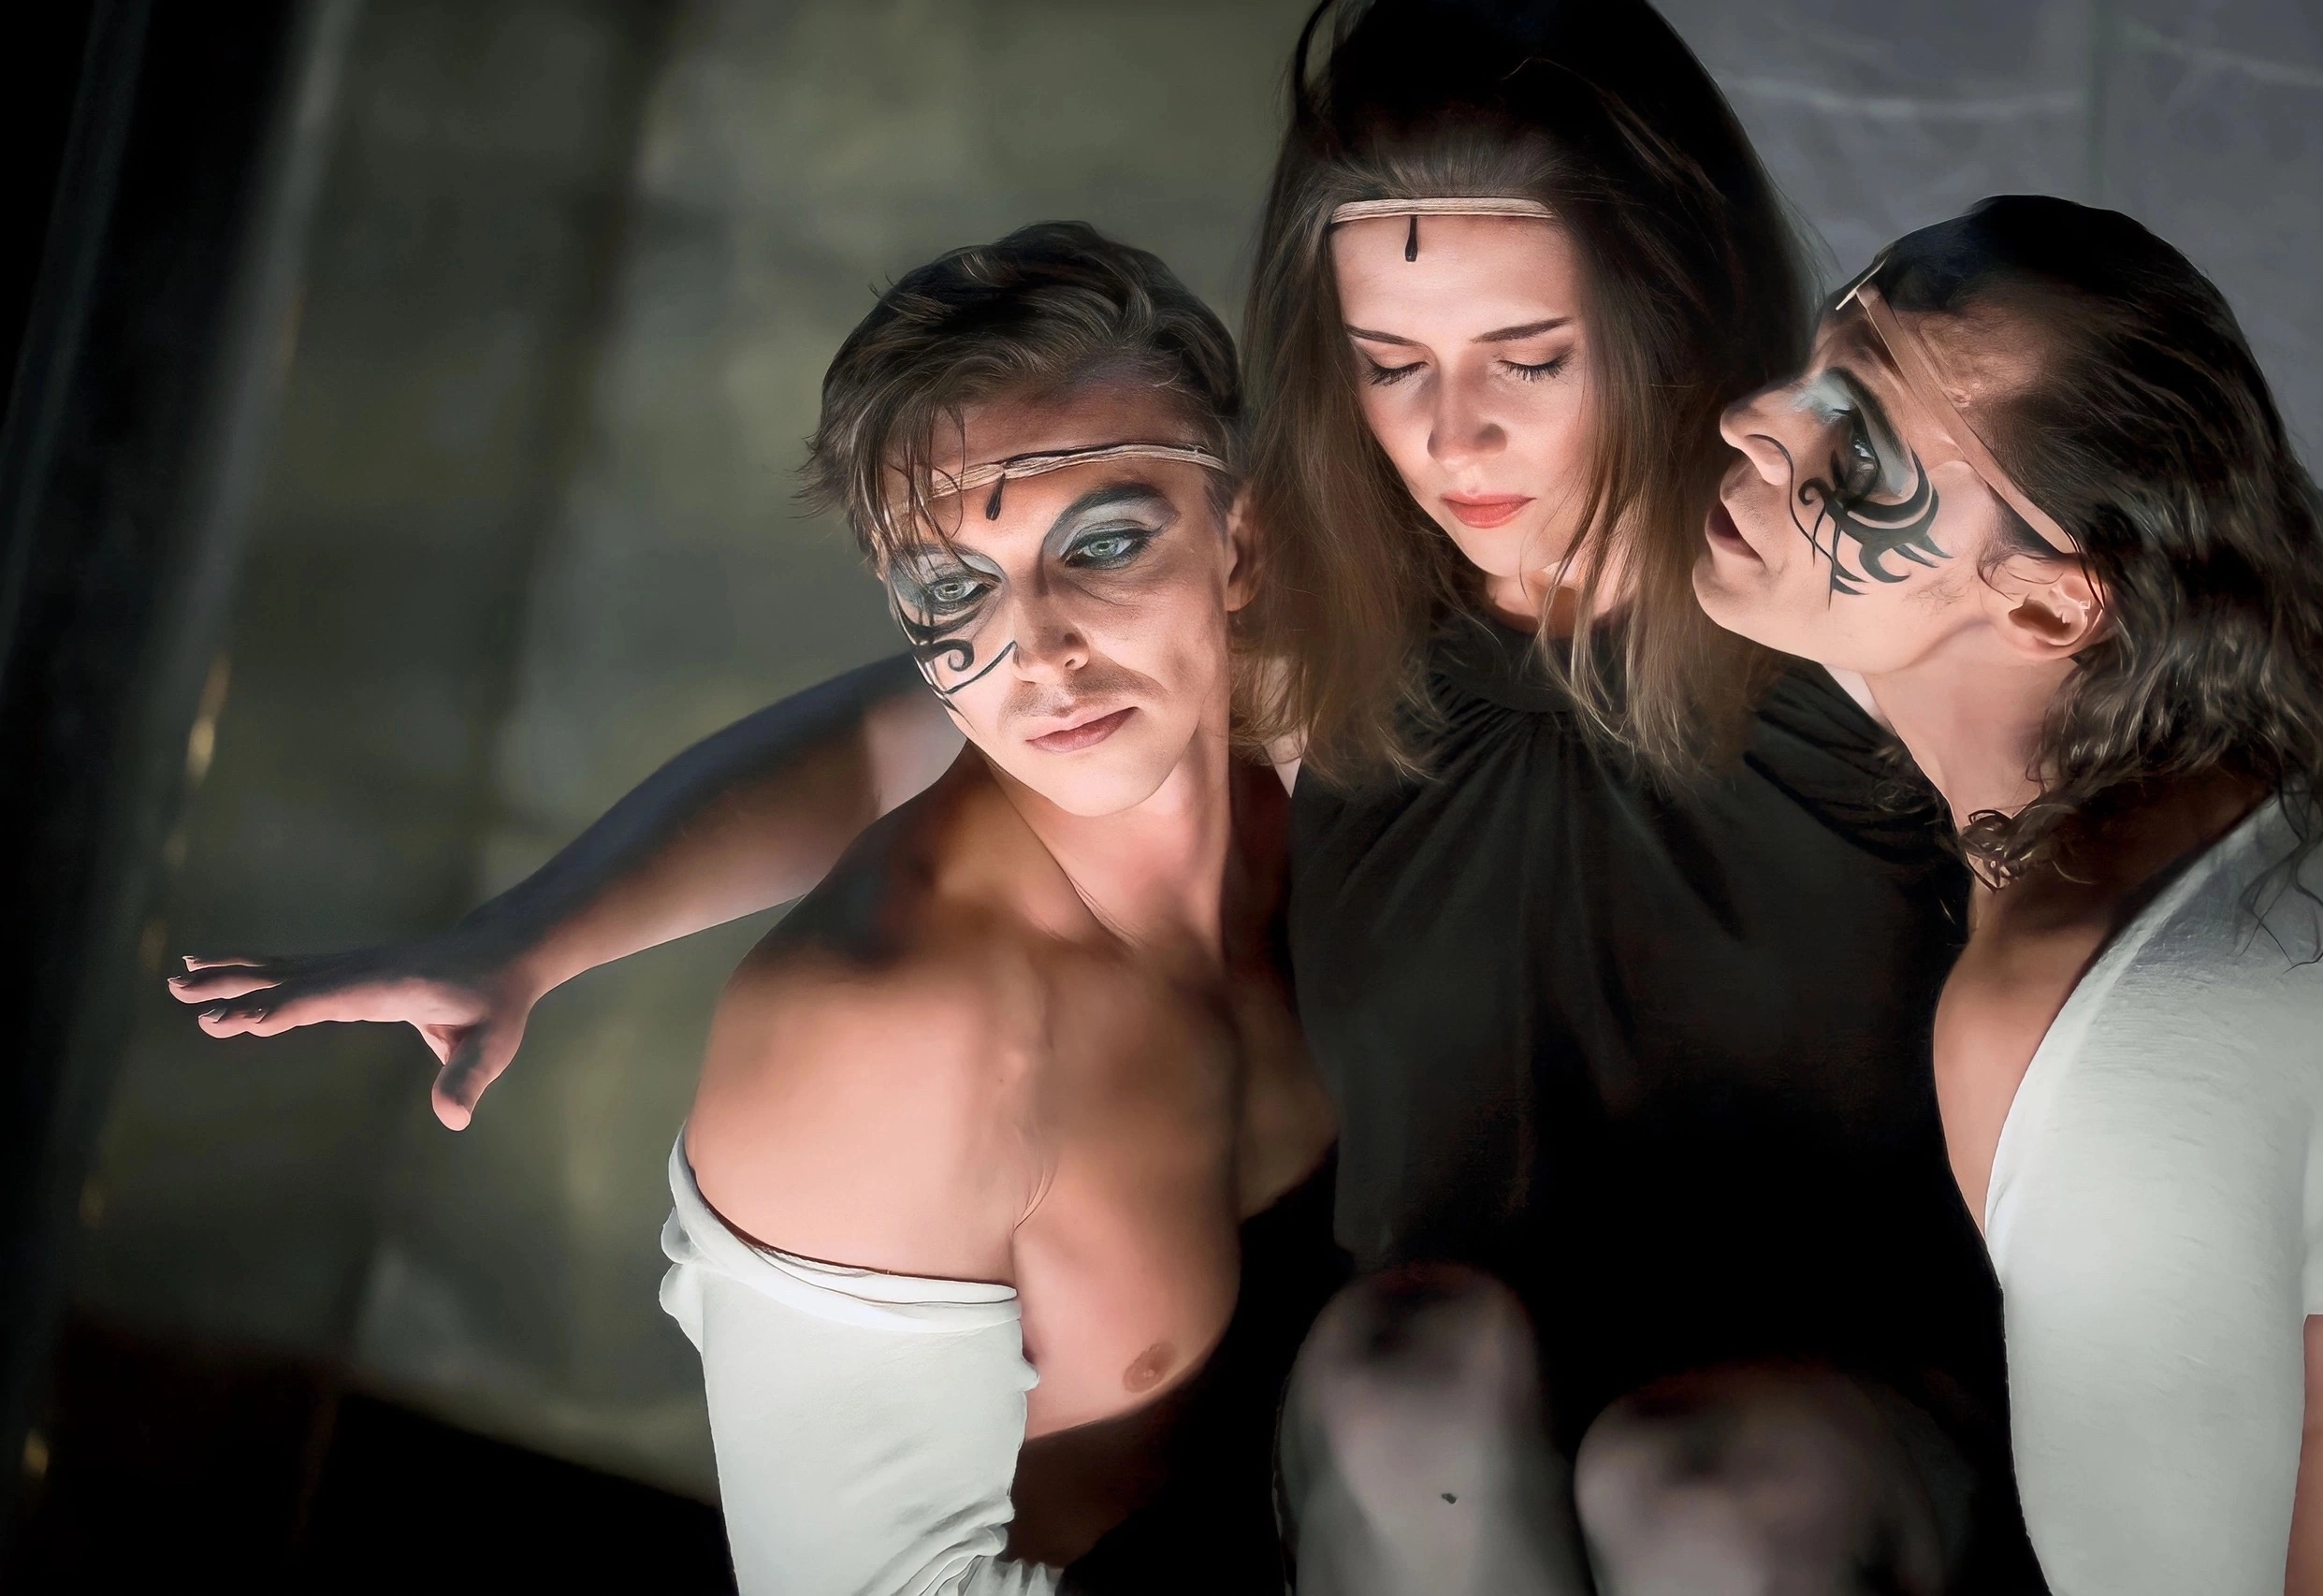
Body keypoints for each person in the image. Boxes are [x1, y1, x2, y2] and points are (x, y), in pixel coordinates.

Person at [178, 2, 2031, 1589]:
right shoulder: (1314, 643)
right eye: (1388, 363)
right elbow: (907, 731)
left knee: (1701, 1497)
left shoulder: (1848, 613)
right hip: (1408, 1474)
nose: (1451, 432)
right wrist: (533, 936)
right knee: (1405, 1378)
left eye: (1524, 358)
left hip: (1813, 1465)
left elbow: (2179, 677)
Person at [1696, 194, 2323, 1596]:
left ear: (2046, 605)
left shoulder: (2090, 1024)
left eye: (1858, 439)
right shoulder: (2238, 670)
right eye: (1816, 362)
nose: (1753, 419)